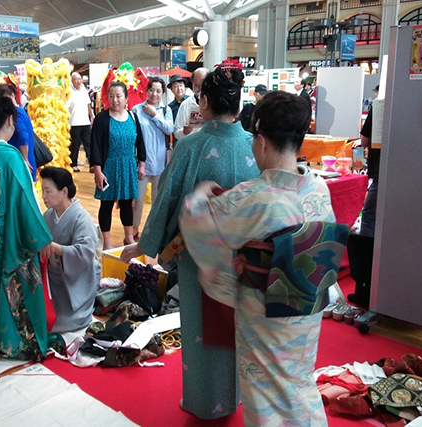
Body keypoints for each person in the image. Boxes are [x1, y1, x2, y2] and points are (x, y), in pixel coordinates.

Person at [179, 91, 336, 426]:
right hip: (307, 308)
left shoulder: (256, 198)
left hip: (266, 312)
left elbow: (197, 221)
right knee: (299, 381)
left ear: (261, 142)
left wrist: (201, 194)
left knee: (266, 389)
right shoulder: (318, 189)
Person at [120, 65, 260, 419]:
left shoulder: (191, 146)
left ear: (206, 102)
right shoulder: (254, 146)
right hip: (245, 258)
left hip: (201, 258)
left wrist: (143, 244)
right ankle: (235, 397)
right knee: (236, 330)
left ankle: (205, 401)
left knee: (202, 332)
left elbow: (167, 199)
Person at [0, 81, 52, 360]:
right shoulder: (10, 157)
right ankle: (12, 344)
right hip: (8, 234)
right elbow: (24, 202)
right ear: (10, 120)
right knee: (10, 288)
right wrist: (42, 237)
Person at [40, 166, 100, 333]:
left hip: (75, 284)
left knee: (59, 323)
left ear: (64, 191)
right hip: (53, 282)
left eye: (47, 191)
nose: (43, 196)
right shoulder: (49, 215)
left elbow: (85, 252)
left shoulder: (82, 218)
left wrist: (55, 248)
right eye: (43, 190)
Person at [90, 81, 146, 249]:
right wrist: (98, 171)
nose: (115, 100)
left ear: (126, 98)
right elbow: (96, 147)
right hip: (108, 168)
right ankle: (106, 241)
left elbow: (140, 143)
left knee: (127, 203)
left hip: (128, 167)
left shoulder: (133, 117)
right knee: (105, 205)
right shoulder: (102, 119)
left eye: (118, 96)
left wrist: (141, 165)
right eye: (111, 96)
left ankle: (129, 237)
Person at [132, 77, 174, 240]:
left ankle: (153, 232)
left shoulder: (166, 111)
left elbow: (169, 129)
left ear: (163, 93)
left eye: (158, 91)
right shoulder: (136, 109)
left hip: (160, 162)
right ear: (146, 90)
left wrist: (155, 114)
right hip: (141, 163)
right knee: (138, 200)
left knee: (157, 201)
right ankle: (135, 231)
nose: (154, 94)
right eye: (151, 90)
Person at [0, 84, 37, 180]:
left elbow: (23, 136)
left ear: (12, 95)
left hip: (22, 161)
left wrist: (25, 160)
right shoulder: (19, 111)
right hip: (22, 159)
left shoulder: (16, 112)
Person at [358, 85, 380, 238]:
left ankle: (365, 256)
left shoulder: (379, 106)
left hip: (380, 168)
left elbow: (364, 141)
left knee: (369, 213)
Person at [68, 72, 94, 172]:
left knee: (89, 144)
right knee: (75, 145)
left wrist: (92, 117)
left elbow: (88, 105)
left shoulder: (84, 90)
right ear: (72, 81)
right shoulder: (69, 92)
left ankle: (92, 164)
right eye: (76, 79)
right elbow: (66, 108)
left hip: (85, 122)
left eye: (79, 79)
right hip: (74, 123)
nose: (78, 81)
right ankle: (73, 164)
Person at [173, 67, 209, 141]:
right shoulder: (185, 104)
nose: (200, 89)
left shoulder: (215, 103)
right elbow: (176, 131)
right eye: (197, 86)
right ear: (192, 84)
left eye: (203, 85)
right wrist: (184, 132)